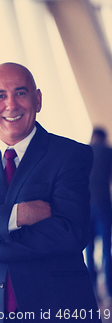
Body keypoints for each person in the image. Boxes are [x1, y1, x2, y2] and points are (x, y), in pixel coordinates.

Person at [0, 62, 99, 322]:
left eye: (21, 93)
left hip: (58, 307)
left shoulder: (70, 155)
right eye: (0, 96)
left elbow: (70, 233)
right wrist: (18, 215)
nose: (11, 105)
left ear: (38, 99)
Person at [86, 127, 112, 299]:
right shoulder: (108, 152)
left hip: (86, 208)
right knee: (106, 249)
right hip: (103, 205)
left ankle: (92, 291)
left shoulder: (83, 152)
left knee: (88, 249)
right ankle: (109, 291)